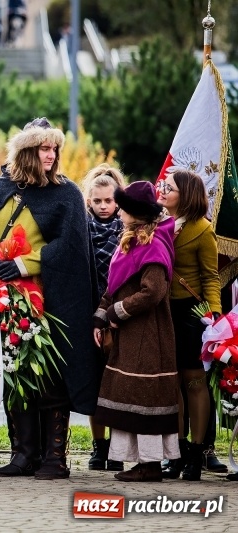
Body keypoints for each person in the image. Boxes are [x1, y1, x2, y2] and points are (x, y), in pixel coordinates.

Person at [0, 118, 99, 480]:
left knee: (51, 375)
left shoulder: (67, 192)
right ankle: (22, 454)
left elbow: (69, 248)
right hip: (3, 296)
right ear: (26, 151)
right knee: (14, 369)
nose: (51, 155)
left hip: (52, 296)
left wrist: (22, 265)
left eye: (55, 148)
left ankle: (55, 457)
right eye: (44, 148)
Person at [93, 181, 179, 482]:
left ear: (136, 212)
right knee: (129, 394)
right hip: (130, 334)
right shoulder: (130, 241)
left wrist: (117, 312)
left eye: (124, 207)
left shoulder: (154, 244)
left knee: (144, 395)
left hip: (149, 334)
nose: (119, 212)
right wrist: (101, 318)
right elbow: (114, 286)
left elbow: (153, 291)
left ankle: (151, 464)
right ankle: (140, 462)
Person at [156, 169, 220, 481]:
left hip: (191, 312)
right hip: (161, 310)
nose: (163, 190)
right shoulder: (157, 224)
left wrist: (214, 316)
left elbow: (211, 275)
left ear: (186, 195)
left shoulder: (203, 229)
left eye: (169, 187)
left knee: (194, 381)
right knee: (172, 383)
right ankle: (176, 453)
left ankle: (197, 453)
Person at [81, 164, 125, 472]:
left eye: (108, 201)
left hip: (121, 316)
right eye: (97, 201)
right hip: (88, 315)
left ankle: (119, 449)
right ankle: (99, 447)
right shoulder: (81, 228)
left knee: (119, 385)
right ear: (89, 201)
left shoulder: (129, 230)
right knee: (95, 384)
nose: (103, 207)